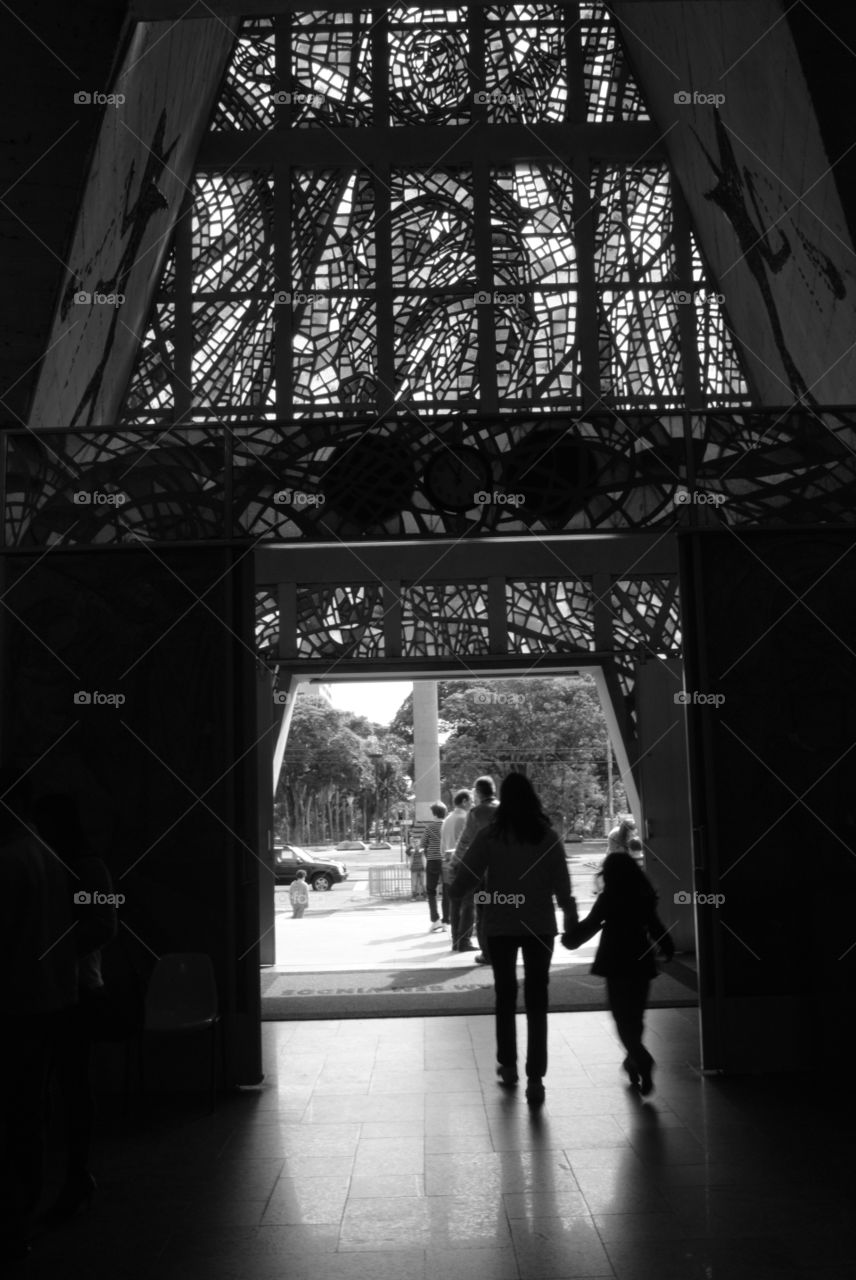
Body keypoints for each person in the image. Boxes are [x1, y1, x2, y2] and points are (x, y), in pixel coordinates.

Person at [450, 772, 577, 1106]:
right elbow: (562, 884)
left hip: (501, 925)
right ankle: (536, 1078)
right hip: (540, 926)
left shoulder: (491, 836)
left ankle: (508, 1065)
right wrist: (570, 915)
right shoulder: (547, 836)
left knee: (505, 995)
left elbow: (468, 873)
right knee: (538, 998)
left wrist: (454, 892)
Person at [0, 770, 78, 1260]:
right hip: (50, 999)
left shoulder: (9, 861)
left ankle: (13, 1219)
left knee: (16, 1113)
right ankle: (22, 1215)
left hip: (16, 1005)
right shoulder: (45, 855)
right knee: (29, 1112)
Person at [34, 794, 120, 1225]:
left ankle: (72, 1174)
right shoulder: (77, 866)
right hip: (73, 986)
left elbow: (102, 927)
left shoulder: (78, 868)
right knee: (70, 1085)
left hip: (73, 989)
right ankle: (72, 1175)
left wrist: (46, 956)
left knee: (66, 1085)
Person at [562, 851, 674, 1096]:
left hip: (616, 963)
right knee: (635, 1017)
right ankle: (633, 1059)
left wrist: (569, 935)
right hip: (642, 962)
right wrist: (668, 947)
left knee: (622, 1018)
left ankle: (641, 1059)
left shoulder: (608, 898)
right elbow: (655, 926)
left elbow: (588, 928)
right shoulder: (644, 897)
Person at [449, 776, 498, 957]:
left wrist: (455, 862)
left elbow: (465, 841)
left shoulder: (476, 813)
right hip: (503, 869)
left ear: (478, 793)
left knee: (482, 909)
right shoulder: (506, 810)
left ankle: (487, 952)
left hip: (482, 870)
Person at [439, 789, 470, 932]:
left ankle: (456, 934)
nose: (472, 804)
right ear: (464, 802)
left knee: (454, 900)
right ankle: (464, 934)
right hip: (463, 865)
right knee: (467, 901)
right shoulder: (465, 818)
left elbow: (442, 846)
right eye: (471, 801)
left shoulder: (446, 820)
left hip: (447, 864)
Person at [420, 801, 447, 931]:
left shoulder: (429, 828)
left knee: (431, 890)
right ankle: (446, 920)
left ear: (434, 814)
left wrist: (427, 854)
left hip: (433, 861)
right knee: (447, 890)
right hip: (446, 861)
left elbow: (422, 845)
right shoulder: (447, 826)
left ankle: (435, 919)